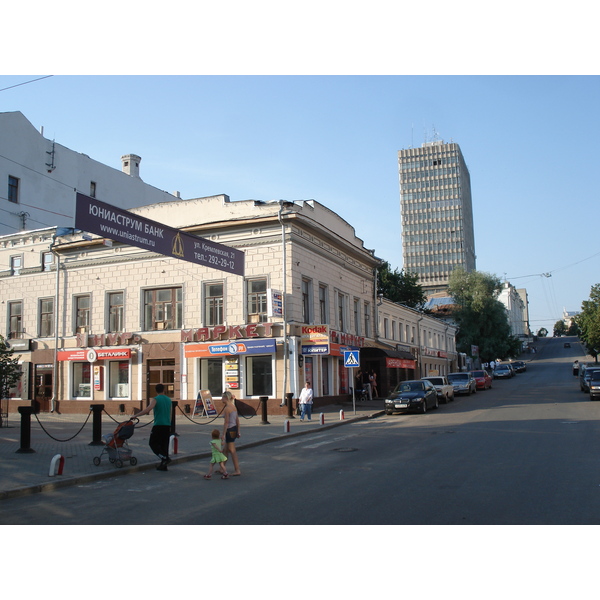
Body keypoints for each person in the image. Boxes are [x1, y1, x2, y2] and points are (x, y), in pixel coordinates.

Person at [134, 383, 172, 471]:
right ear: (164, 390)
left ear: (156, 390)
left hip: (158, 425)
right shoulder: (168, 399)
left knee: (152, 443)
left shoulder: (155, 399)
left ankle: (164, 458)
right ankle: (163, 466)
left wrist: (136, 415)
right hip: (167, 425)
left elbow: (148, 409)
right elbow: (170, 413)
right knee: (164, 445)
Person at [222, 390, 241, 476]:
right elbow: (237, 420)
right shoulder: (233, 407)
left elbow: (226, 422)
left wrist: (223, 434)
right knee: (225, 450)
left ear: (226, 398)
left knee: (232, 450)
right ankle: (222, 468)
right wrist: (238, 431)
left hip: (229, 430)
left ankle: (237, 470)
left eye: (222, 397)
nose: (221, 399)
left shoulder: (227, 409)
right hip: (234, 429)